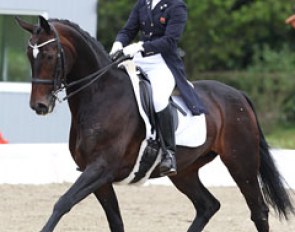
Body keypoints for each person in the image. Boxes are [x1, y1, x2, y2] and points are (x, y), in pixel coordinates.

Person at [110, 0, 206, 176]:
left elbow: (170, 41)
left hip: (162, 63)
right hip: (139, 59)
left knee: (159, 100)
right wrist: (118, 44)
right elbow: (128, 30)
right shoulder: (143, 4)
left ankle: (169, 153)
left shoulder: (176, 6)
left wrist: (140, 46)